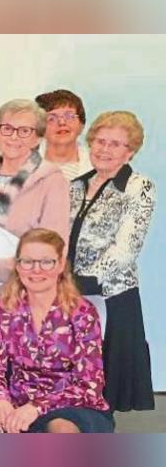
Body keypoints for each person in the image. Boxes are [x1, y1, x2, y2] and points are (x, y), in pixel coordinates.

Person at [0, 229, 113, 433]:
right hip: (18, 405)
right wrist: (0, 399)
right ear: (17, 266)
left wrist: (37, 407)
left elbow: (89, 384)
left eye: (46, 262)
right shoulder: (5, 308)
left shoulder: (82, 312)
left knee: (60, 430)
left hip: (73, 406)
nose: (36, 270)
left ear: (60, 265)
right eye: (27, 261)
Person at [68, 111, 156, 412]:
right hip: (69, 296)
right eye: (100, 141)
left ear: (129, 151)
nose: (104, 149)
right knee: (72, 384)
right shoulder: (76, 185)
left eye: (115, 144)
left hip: (110, 297)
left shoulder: (138, 187)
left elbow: (127, 248)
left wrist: (84, 283)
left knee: (105, 390)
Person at [0, 99, 70, 310]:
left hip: (20, 302)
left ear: (37, 137)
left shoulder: (51, 181)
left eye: (24, 131)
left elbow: (53, 249)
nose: (14, 137)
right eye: (7, 128)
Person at [37, 89, 92, 181]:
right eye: (51, 118)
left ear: (82, 125)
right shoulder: (21, 166)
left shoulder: (98, 166)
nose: (62, 122)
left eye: (69, 116)